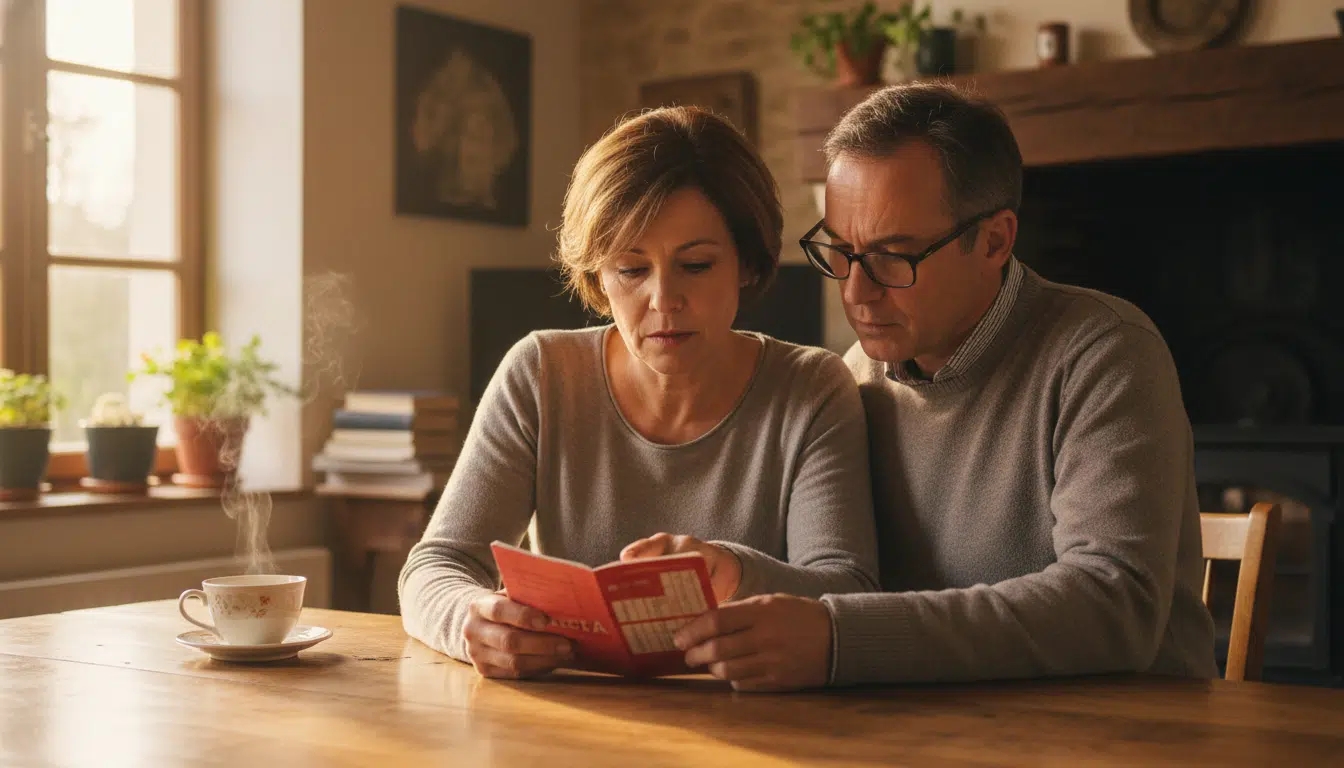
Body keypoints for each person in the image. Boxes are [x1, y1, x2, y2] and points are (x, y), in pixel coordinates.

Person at [673, 82, 1217, 690]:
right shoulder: (852, 379)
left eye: (892, 255)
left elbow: (1114, 605)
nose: (856, 292)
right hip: (932, 725)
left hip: (1129, 726)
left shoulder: (1105, 352)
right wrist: (740, 572)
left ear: (995, 241)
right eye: (841, 251)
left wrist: (841, 638)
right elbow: (844, 583)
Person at [399, 106, 880, 679]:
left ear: (748, 263)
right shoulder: (541, 374)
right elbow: (437, 565)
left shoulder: (811, 388)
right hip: (568, 713)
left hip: (751, 717)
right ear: (599, 277)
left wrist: (731, 571)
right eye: (631, 270)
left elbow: (850, 592)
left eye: (696, 265)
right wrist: (471, 621)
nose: (664, 300)